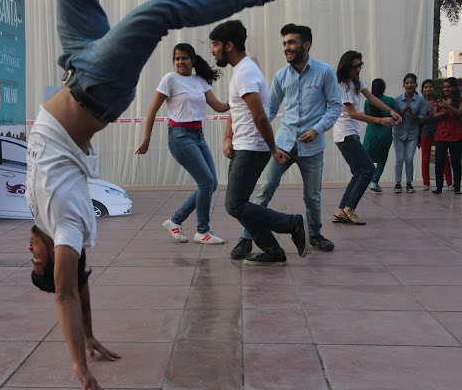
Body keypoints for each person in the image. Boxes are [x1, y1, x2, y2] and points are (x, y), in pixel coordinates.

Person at [24, 0, 309, 390]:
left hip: (75, 65)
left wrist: (87, 335)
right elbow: (68, 291)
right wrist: (79, 366)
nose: (29, 252)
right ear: (56, 261)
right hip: (97, 85)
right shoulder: (66, 228)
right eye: (36, 260)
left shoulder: (49, 224)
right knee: (160, 13)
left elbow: (78, 287)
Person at [232, 23, 341, 256]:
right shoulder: (281, 76)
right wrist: (251, 133)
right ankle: (246, 237)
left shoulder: (325, 72)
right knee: (265, 189)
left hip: (312, 147)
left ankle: (315, 234)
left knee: (312, 196)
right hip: (282, 145)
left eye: (291, 42)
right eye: (284, 43)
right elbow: (269, 109)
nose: (286, 48)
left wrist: (318, 129)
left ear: (307, 44)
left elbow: (335, 107)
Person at [208, 20, 308, 264]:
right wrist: (228, 137)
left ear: (229, 45)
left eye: (215, 45)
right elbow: (236, 110)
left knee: (234, 204)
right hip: (244, 146)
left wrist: (272, 148)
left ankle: (291, 223)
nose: (212, 50)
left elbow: (260, 115)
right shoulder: (242, 70)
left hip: (252, 148)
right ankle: (273, 250)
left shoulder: (245, 72)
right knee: (238, 204)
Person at [136, 43, 228, 244]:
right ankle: (202, 230)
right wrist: (146, 140)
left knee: (210, 184)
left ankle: (175, 221)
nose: (180, 62)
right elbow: (152, 110)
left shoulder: (199, 81)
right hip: (180, 136)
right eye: (177, 58)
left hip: (198, 136)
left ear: (192, 60)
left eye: (184, 58)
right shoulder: (170, 79)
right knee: (205, 182)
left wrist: (240, 99)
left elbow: (219, 106)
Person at [331, 52, 402, 225]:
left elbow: (371, 98)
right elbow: (353, 114)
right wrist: (380, 120)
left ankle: (341, 211)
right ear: (346, 67)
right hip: (345, 134)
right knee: (368, 170)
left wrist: (390, 111)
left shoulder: (356, 81)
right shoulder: (342, 85)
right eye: (354, 67)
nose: (358, 70)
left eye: (360, 65)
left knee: (359, 172)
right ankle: (349, 209)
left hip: (351, 133)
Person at [393, 73, 427, 193]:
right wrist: (403, 112)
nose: (409, 85)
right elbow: (394, 117)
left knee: (409, 159)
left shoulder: (420, 99)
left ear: (415, 85)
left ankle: (409, 183)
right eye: (407, 83)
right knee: (399, 158)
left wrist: (413, 115)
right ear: (403, 85)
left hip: (412, 133)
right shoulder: (397, 99)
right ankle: (397, 183)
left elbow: (423, 116)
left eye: (412, 83)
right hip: (399, 133)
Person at [363, 79, 397, 192]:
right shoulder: (390, 101)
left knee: (365, 157)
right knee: (382, 160)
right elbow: (395, 117)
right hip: (385, 133)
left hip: (371, 131)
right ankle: (374, 182)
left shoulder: (368, 102)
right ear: (384, 88)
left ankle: (362, 180)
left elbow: (367, 117)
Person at [420, 79, 452, 191]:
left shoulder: (438, 101)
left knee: (443, 157)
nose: (428, 89)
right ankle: (426, 182)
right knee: (425, 158)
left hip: (439, 131)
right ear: (422, 89)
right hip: (425, 132)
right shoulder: (420, 101)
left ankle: (449, 181)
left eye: (430, 87)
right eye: (426, 87)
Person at [432, 77, 462, 194]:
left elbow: (460, 113)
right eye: (444, 87)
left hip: (456, 134)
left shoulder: (459, 101)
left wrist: (448, 107)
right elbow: (434, 115)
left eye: (449, 87)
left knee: (455, 161)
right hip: (441, 134)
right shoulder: (439, 101)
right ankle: (438, 187)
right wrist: (443, 110)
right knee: (439, 161)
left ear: (454, 88)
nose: (446, 89)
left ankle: (457, 187)